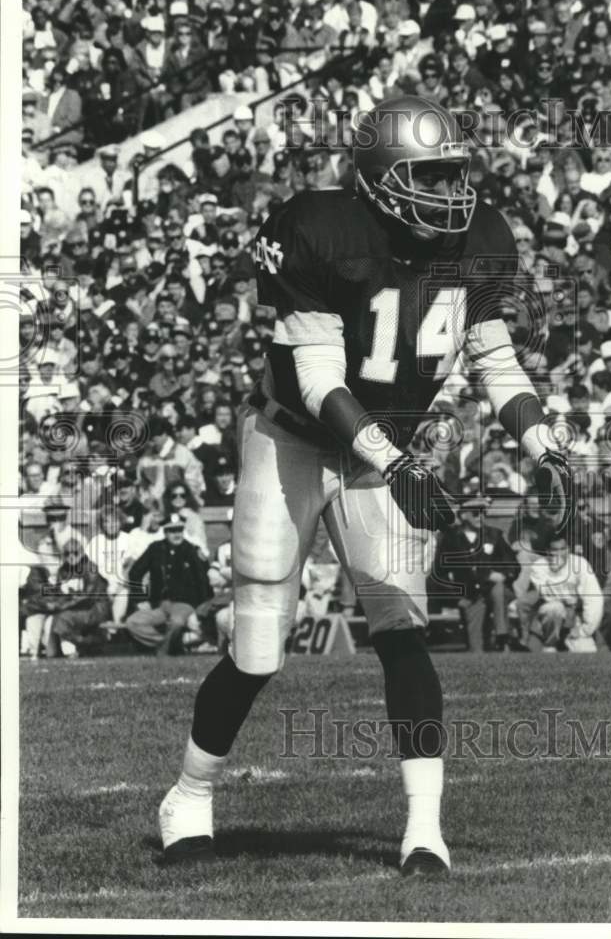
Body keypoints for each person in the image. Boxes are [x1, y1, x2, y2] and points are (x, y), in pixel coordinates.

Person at [157, 95, 572, 876]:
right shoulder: (320, 228)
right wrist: (401, 464)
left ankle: (423, 828)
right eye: (430, 176)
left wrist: (544, 445)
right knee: (257, 647)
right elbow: (316, 377)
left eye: (454, 175)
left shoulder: (480, 239)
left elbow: (494, 360)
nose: (450, 193)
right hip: (297, 441)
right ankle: (188, 795)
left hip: (391, 449)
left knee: (401, 627)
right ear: (380, 182)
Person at [434, 497, 520, 652]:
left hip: (494, 590)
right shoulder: (451, 538)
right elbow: (440, 573)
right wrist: (457, 598)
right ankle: (492, 645)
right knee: (476, 647)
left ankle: (502, 636)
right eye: (475, 513)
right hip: (470, 595)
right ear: (464, 514)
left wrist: (504, 575)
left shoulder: (494, 535)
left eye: (483, 513)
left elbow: (513, 565)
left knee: (498, 588)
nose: (480, 517)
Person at [125, 514, 213, 655]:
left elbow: (203, 580)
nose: (176, 534)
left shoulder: (192, 550)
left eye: (179, 530)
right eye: (172, 531)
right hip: (159, 605)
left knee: (177, 622)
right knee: (133, 622)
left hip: (184, 605)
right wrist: (140, 599)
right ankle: (171, 644)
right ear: (165, 532)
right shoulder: (155, 549)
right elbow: (134, 573)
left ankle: (164, 652)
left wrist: (199, 609)